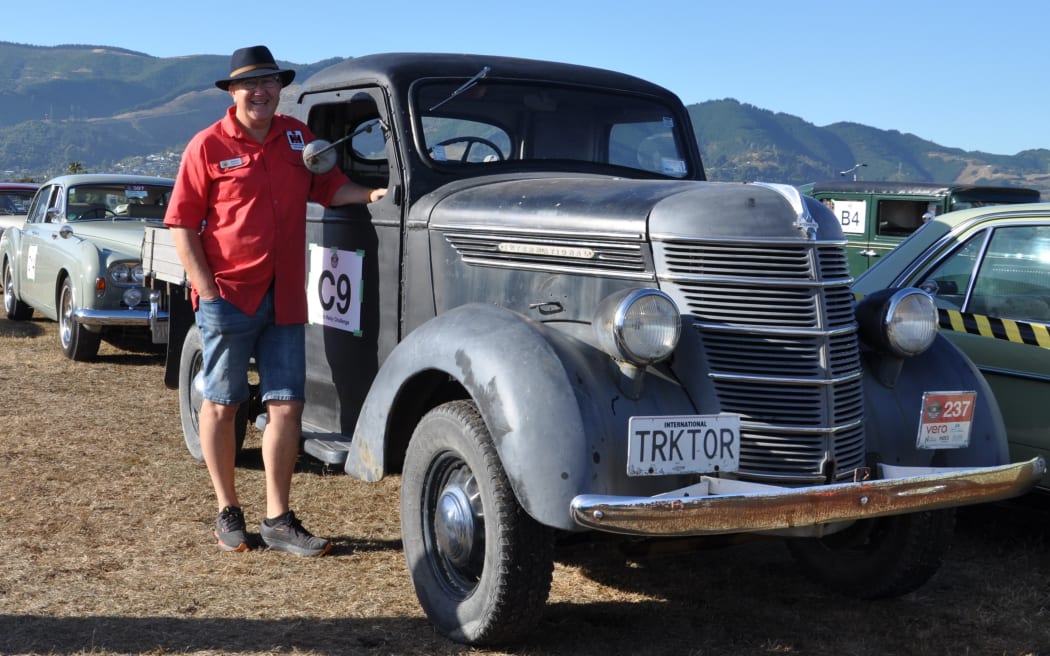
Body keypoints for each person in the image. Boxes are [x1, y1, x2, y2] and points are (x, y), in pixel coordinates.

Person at [165, 45, 386, 556]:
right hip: (229, 294)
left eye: (269, 82)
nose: (261, 92)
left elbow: (328, 185)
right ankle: (227, 510)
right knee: (224, 403)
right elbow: (181, 222)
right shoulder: (208, 145)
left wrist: (372, 195)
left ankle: (278, 519)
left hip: (286, 294)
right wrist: (207, 286)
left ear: (279, 88)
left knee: (287, 406)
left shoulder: (296, 136)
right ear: (233, 92)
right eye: (250, 84)